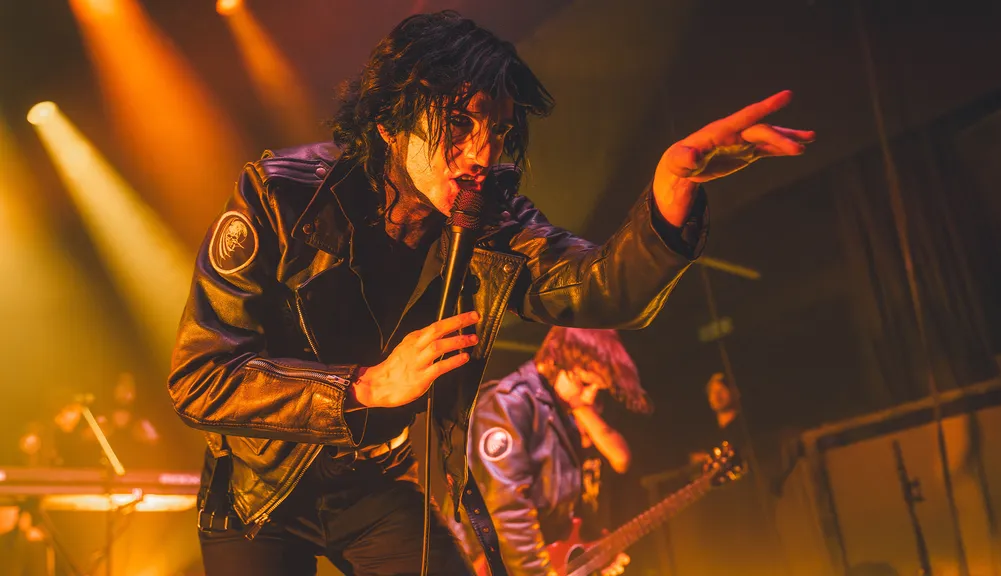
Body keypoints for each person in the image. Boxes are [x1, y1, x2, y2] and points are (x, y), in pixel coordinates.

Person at [166, 10, 813, 575]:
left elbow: (597, 290)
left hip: (373, 482)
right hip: (259, 491)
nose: (482, 152)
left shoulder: (490, 217)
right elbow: (199, 375)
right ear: (391, 121)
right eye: (457, 122)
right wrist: (363, 387)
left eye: (499, 131)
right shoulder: (282, 197)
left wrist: (673, 193)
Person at [464, 327, 650, 575]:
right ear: (554, 361)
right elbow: (508, 510)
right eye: (584, 383)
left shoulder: (562, 414)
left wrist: (593, 552)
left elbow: (559, 513)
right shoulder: (509, 404)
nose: (589, 397)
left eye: (597, 389)